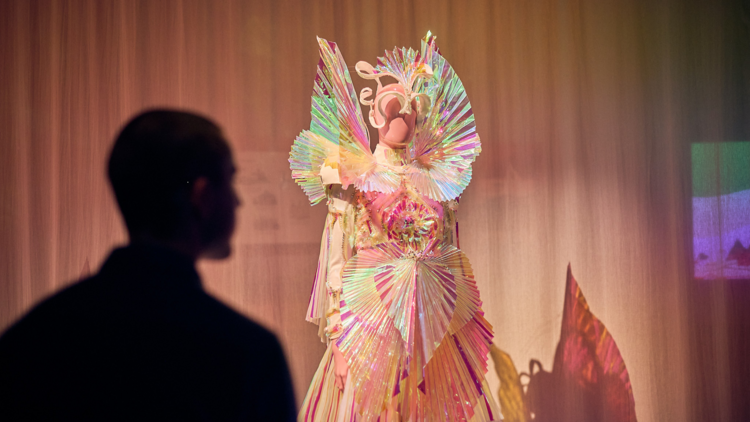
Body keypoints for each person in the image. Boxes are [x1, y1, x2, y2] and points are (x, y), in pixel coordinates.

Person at [0, 109, 296, 421]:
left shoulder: (31, 339)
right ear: (202, 196)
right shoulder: (248, 354)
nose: (238, 202)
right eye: (231, 181)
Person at [290, 34, 502, 421]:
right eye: (392, 108)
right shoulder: (355, 175)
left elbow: (449, 252)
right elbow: (338, 258)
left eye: (410, 110)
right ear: (374, 115)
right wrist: (338, 340)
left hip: (430, 324)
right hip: (372, 322)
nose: (402, 117)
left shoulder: (435, 183)